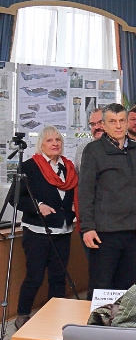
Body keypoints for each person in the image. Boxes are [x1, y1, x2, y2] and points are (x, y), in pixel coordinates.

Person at [79, 104, 136, 299]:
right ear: (103, 124)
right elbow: (85, 191)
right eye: (112, 121)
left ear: (127, 122)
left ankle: (123, 320)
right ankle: (99, 320)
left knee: (129, 288)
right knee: (101, 287)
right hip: (104, 232)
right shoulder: (93, 150)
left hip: (133, 231)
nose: (118, 126)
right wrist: (87, 227)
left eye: (122, 121)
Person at [12, 127, 77, 329]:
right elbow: (16, 198)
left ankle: (54, 317)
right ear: (41, 144)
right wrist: (38, 206)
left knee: (58, 277)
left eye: (58, 140)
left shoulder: (68, 167)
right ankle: (22, 315)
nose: (55, 143)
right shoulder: (29, 167)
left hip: (63, 230)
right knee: (35, 276)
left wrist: (74, 208)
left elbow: (72, 194)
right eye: (49, 140)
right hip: (37, 231)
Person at [75, 108, 104, 172]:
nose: (96, 127)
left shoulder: (118, 148)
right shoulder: (82, 149)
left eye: (100, 122)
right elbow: (77, 175)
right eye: (93, 124)